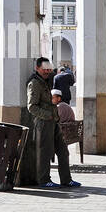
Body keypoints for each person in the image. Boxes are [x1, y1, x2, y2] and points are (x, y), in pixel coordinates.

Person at [25, 57, 80, 189]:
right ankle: (44, 180)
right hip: (43, 122)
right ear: (37, 68)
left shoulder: (47, 80)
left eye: (48, 69)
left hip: (53, 121)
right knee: (45, 152)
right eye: (44, 69)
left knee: (63, 151)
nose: (47, 71)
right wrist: (48, 115)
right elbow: (31, 106)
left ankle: (66, 179)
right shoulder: (35, 83)